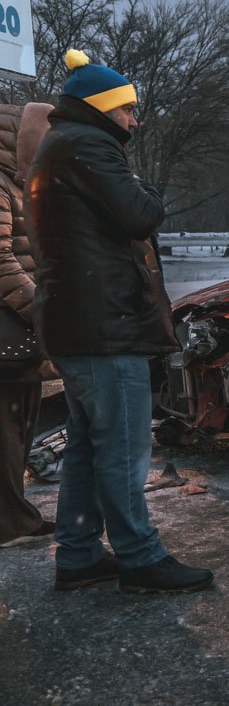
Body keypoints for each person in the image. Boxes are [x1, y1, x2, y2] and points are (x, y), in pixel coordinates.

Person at [27, 50, 213, 592]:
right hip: (105, 328)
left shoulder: (61, 145)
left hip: (81, 325)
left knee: (88, 446)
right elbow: (141, 213)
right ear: (103, 108)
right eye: (127, 109)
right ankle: (139, 556)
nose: (134, 120)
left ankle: (81, 553)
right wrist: (150, 189)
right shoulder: (89, 146)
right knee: (125, 448)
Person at [0, 102, 56, 549]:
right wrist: (44, 309)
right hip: (12, 331)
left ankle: (15, 514)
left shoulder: (17, 184)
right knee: (8, 429)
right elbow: (1, 264)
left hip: (21, 331)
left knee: (19, 428)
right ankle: (9, 521)